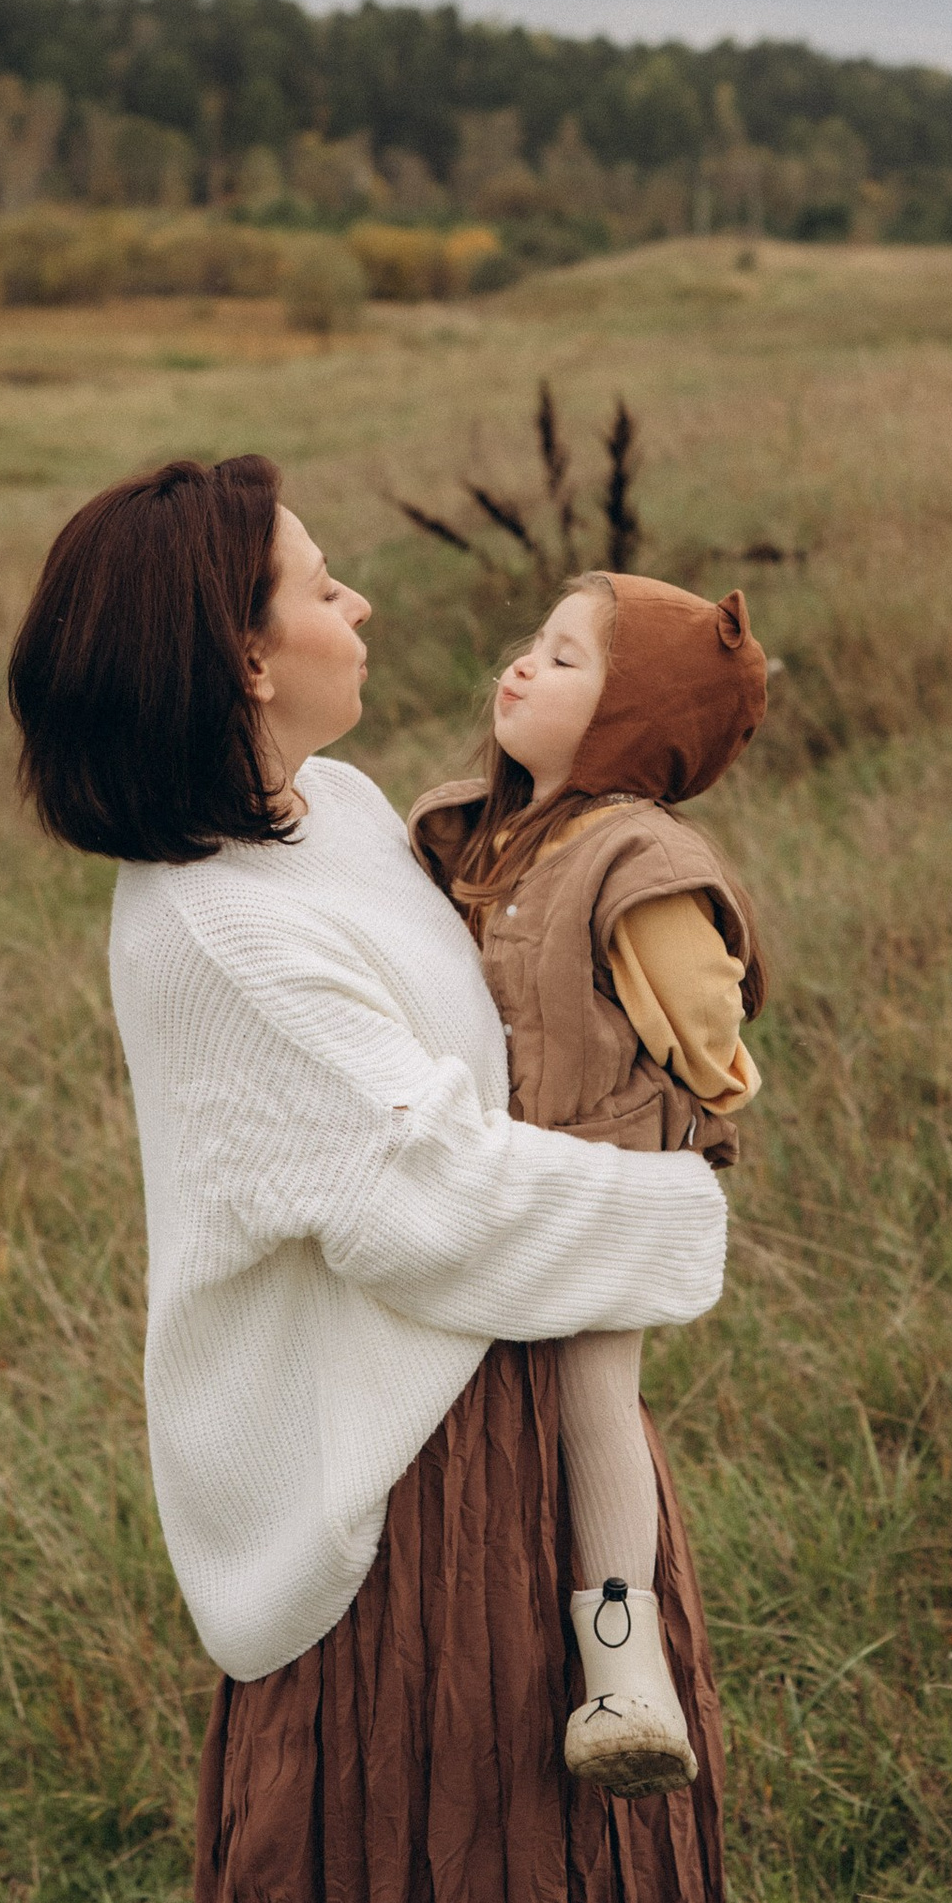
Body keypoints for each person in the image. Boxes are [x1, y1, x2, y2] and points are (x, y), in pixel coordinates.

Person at [5, 454, 735, 1903]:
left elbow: (508, 984)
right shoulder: (208, 936)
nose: (359, 613)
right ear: (237, 659)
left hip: (491, 1390)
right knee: (378, 1878)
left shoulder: (327, 815)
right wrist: (676, 1224)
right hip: (383, 1461)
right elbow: (425, 1198)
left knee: (527, 1826)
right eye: (321, 592)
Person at [408, 574, 767, 1798]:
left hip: (598, 1177)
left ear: (627, 721)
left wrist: (709, 1069)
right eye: (532, 644)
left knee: (594, 1398)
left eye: (566, 661)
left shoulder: (634, 852)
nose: (520, 666)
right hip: (489, 1172)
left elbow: (705, 1008)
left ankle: (623, 1675)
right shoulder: (485, 823)